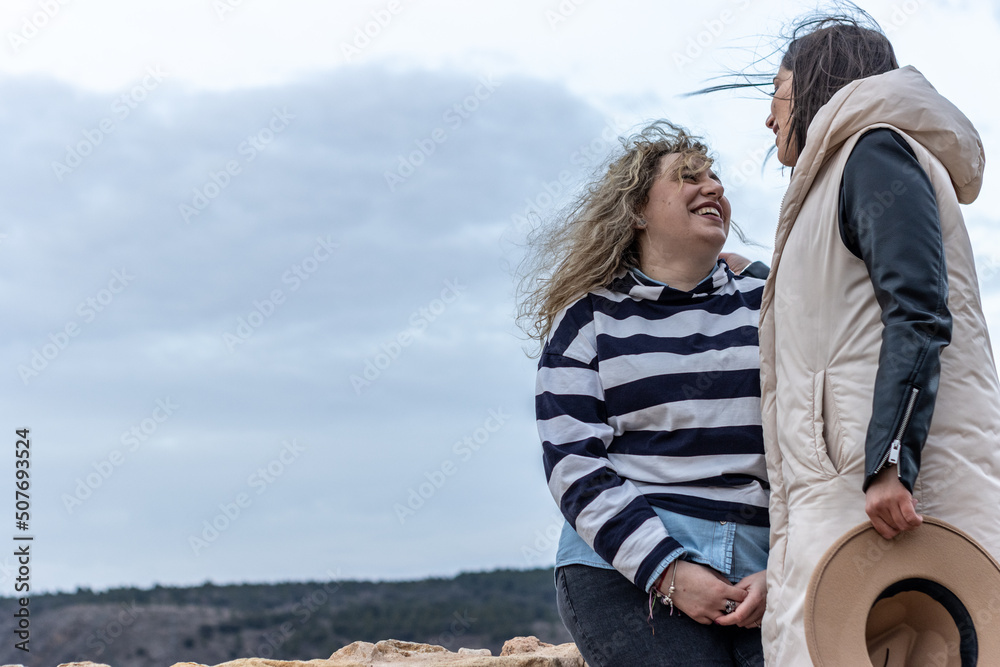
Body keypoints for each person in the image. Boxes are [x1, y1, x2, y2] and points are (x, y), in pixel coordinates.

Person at [754, 12, 1000, 665]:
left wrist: (890, 460)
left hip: (887, 497)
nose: (768, 118)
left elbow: (918, 306)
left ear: (812, 83)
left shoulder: (874, 149)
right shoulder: (833, 176)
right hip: (850, 499)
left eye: (775, 92)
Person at [517, 120, 769, 666]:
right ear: (636, 211)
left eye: (716, 179)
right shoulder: (588, 320)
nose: (715, 188)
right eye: (688, 177)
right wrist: (668, 571)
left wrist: (790, 563)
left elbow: (817, 433)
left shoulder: (767, 298)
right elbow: (572, 463)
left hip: (768, 571)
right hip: (627, 573)